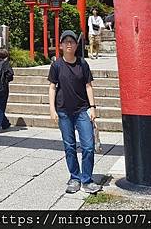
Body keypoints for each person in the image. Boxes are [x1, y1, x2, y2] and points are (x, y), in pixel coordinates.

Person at [48, 30, 102, 194]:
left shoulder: (82, 64)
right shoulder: (56, 65)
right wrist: (52, 109)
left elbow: (88, 86)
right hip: (63, 111)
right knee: (69, 146)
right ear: (61, 45)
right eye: (66, 41)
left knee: (88, 146)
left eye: (72, 41)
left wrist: (93, 108)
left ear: (76, 45)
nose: (69, 44)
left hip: (82, 110)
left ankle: (87, 179)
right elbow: (52, 87)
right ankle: (74, 177)